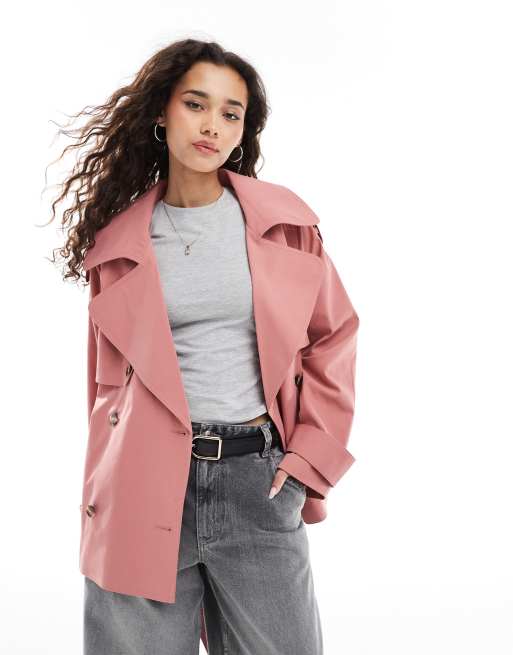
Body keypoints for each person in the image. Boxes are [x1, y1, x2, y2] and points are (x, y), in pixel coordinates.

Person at [47, 38, 359, 655]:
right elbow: (104, 393)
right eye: (195, 104)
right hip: (143, 482)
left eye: (230, 112)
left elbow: (333, 336)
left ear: (242, 132)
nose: (211, 124)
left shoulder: (285, 225)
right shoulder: (117, 245)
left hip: (258, 480)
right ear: (162, 113)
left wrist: (306, 463)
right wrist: (104, 494)